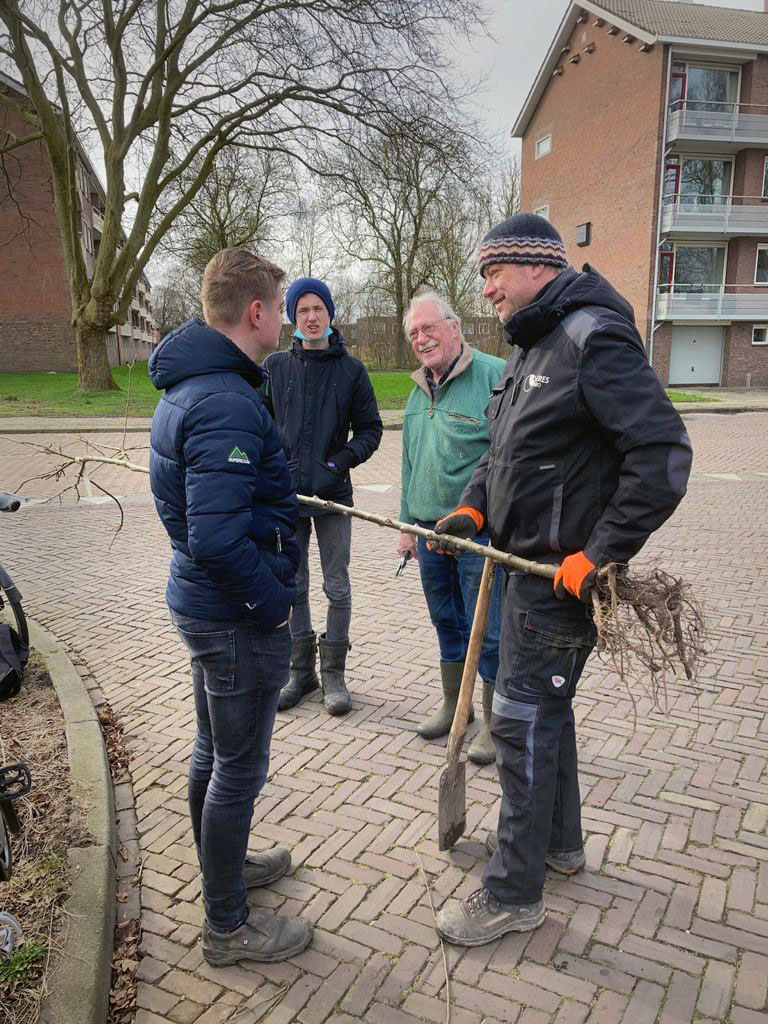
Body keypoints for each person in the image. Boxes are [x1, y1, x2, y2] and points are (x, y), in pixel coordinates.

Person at [433, 213, 693, 946]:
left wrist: (600, 553)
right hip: (520, 573)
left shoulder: (591, 338)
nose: (487, 290)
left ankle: (514, 893)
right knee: (546, 716)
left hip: (560, 582)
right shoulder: (530, 346)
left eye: (493, 273)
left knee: (521, 726)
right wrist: (474, 507)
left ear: (535, 266)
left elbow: (663, 455)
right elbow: (505, 451)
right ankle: (558, 845)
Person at [148, 248, 313, 965]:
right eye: (279, 308)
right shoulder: (225, 401)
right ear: (255, 312)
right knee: (237, 768)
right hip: (234, 616)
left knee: (214, 753)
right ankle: (227, 925)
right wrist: (274, 605)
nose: (285, 320)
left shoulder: (195, 386)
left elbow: (199, 518)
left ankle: (226, 869)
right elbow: (215, 536)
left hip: (206, 604)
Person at [263, 277, 382, 716]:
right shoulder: (275, 368)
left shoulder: (352, 371)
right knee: (293, 584)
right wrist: (273, 469)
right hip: (287, 499)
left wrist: (339, 462)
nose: (311, 317)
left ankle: (334, 675)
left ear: (330, 313)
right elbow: (259, 425)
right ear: (293, 318)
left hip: (334, 497)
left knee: (337, 586)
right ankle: (301, 673)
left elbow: (370, 429)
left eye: (318, 309)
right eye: (302, 310)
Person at [398, 291, 505, 764]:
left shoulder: (495, 377)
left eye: (429, 328)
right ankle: (456, 706)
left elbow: (508, 458)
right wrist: (407, 527)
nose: (421, 339)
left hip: (477, 534)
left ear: (455, 327)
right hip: (427, 534)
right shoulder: (416, 392)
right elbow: (410, 463)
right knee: (446, 620)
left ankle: (496, 723)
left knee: (489, 631)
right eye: (413, 333)